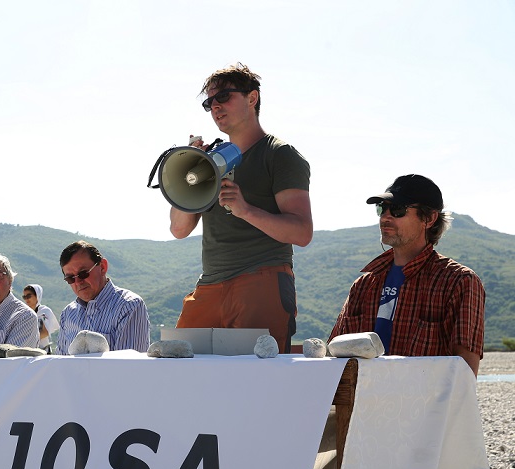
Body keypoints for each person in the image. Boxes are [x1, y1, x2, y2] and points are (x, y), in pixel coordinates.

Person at [168, 62, 312, 353]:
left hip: (262, 281)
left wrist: (246, 210)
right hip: (209, 286)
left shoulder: (279, 155)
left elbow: (302, 231)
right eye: (209, 103)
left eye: (224, 97)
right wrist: (190, 168)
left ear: (252, 98)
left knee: (259, 386)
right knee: (182, 373)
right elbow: (179, 228)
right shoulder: (209, 160)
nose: (215, 107)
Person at [329, 174, 485, 375]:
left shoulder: (459, 282)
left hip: (422, 405)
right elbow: (333, 356)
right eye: (381, 209)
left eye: (397, 210)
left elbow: (465, 373)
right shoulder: (363, 285)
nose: (385, 216)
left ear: (429, 218)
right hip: (363, 403)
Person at [56, 241, 150, 354]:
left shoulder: (129, 306)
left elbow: (129, 366)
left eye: (83, 273)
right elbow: (61, 364)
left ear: (102, 267)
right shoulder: (67, 314)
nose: (78, 282)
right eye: (70, 278)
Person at [22, 283, 59, 352]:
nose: (26, 299)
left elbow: (45, 332)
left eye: (29, 296)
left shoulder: (44, 311)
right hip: (28, 351)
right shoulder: (25, 313)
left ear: (37, 296)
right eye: (24, 297)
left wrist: (27, 340)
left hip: (43, 351)